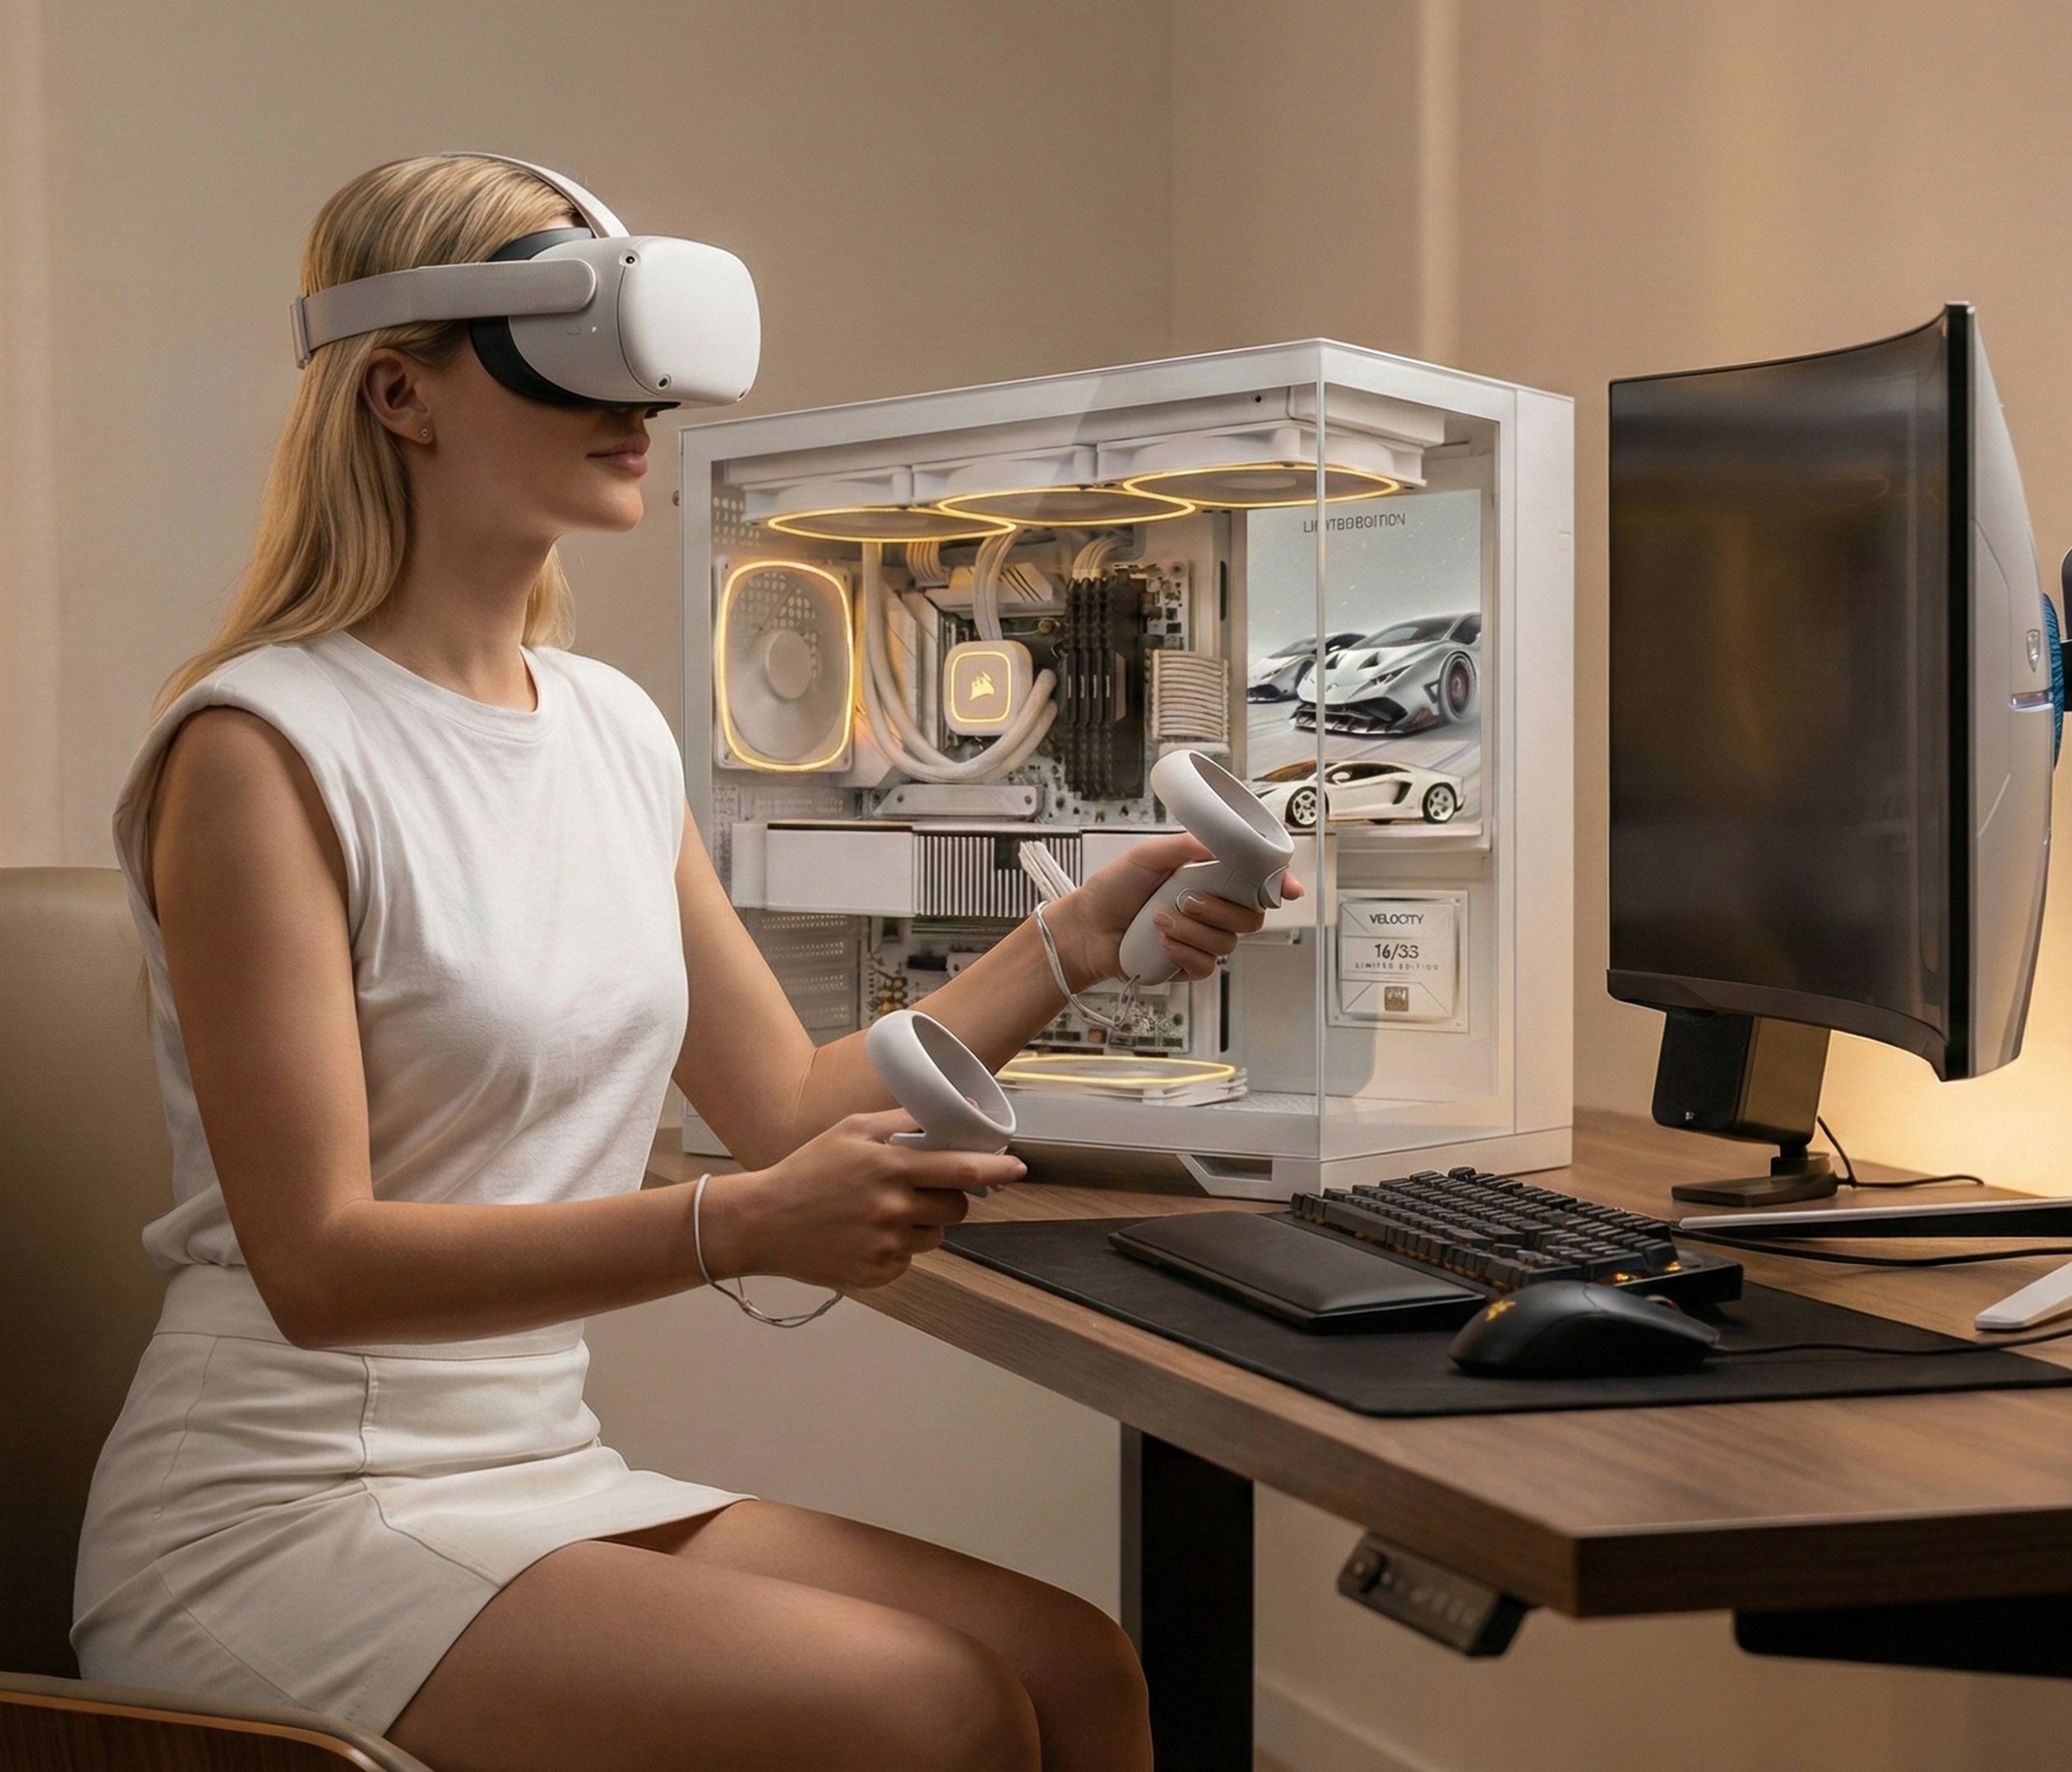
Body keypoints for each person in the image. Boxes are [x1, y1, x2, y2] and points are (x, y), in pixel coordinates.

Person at [71, 153, 1287, 1772]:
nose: (634, 396)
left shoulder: (613, 730)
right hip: (287, 1507)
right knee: (926, 1712)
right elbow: (323, 1262)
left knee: (1077, 1670)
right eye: (564, 339)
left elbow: (786, 1100)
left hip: (536, 1466)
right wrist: (735, 1225)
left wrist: (1071, 938)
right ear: (397, 391)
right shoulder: (262, 748)